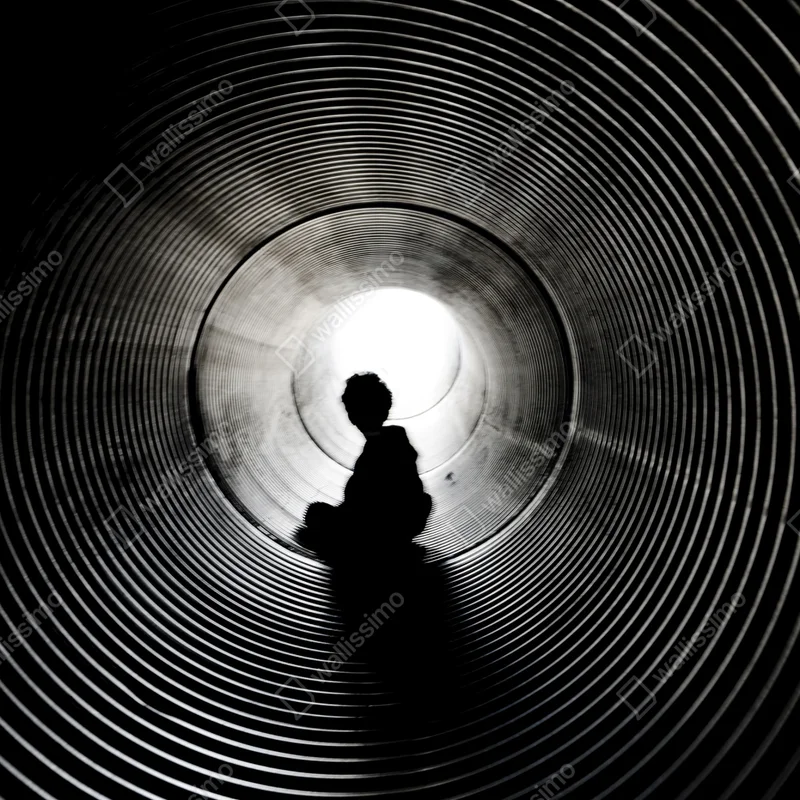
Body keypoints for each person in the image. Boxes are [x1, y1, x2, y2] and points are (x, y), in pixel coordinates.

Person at [302, 373, 432, 553]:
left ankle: (372, 542)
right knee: (319, 513)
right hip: (397, 521)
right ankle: (381, 540)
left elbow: (371, 501)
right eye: (352, 409)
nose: (354, 417)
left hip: (381, 524)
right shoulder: (390, 442)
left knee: (317, 513)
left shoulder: (386, 446)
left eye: (354, 409)